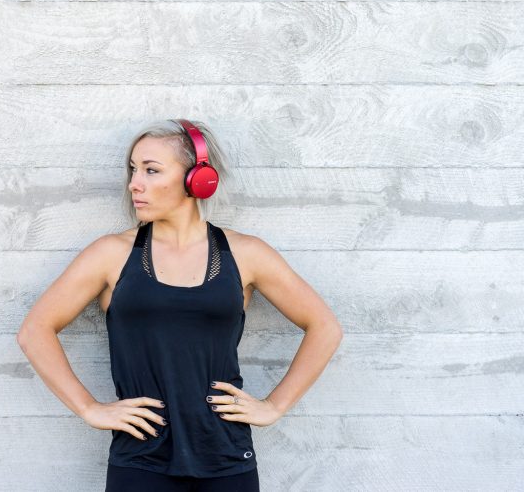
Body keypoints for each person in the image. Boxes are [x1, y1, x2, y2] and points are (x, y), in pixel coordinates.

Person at [17, 119, 343, 491]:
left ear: (198, 179)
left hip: (226, 458)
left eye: (152, 171)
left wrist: (274, 405)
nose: (134, 184)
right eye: (133, 170)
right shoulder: (111, 254)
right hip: (140, 459)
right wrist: (90, 408)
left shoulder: (246, 253)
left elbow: (324, 327)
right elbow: (35, 330)